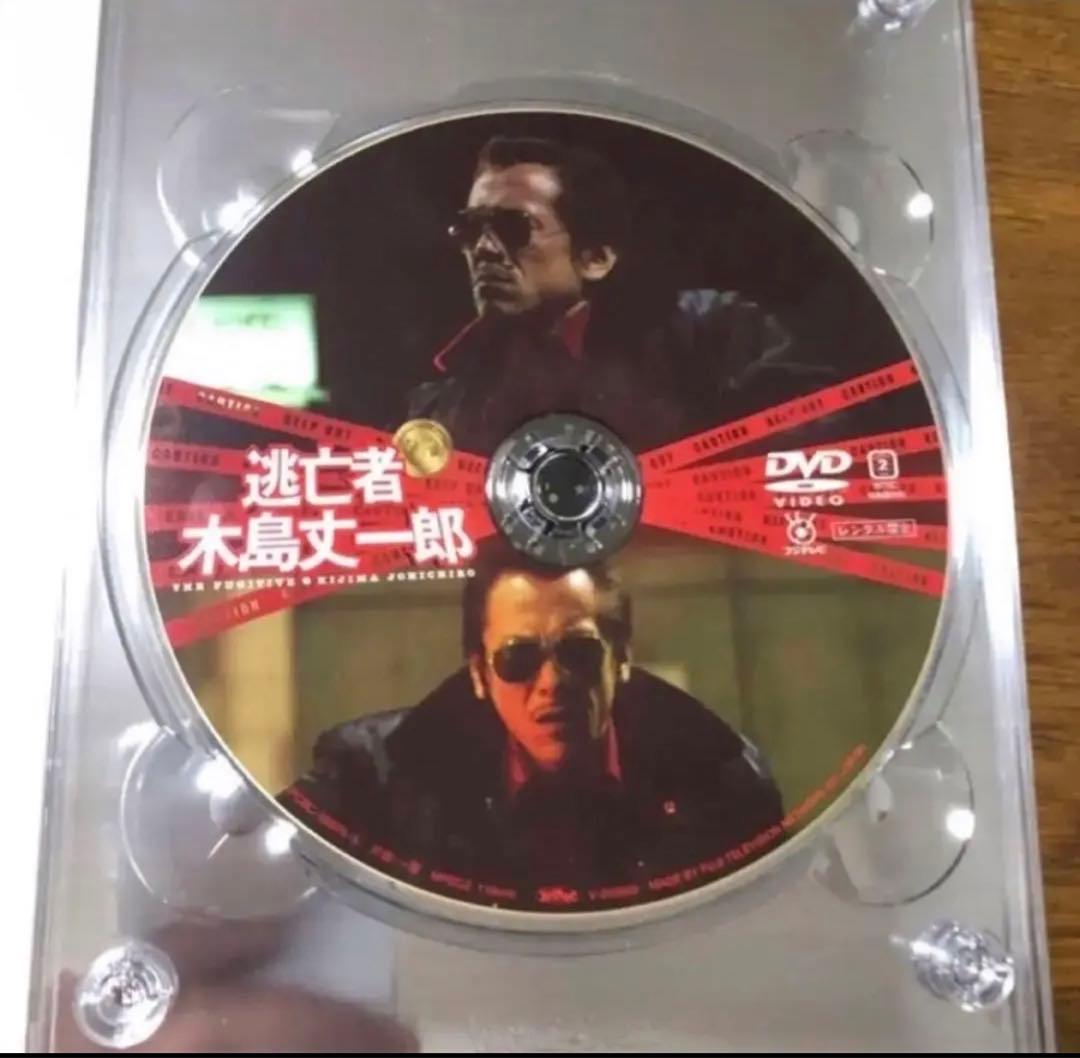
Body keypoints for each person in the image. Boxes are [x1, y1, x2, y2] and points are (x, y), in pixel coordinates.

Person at [283, 542, 785, 904]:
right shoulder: (371, 779)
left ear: (621, 659)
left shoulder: (724, 784)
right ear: (479, 673)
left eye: (579, 653)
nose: (552, 683)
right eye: (518, 658)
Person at [407, 135, 830, 454]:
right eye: (469, 229)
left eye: (514, 227)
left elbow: (822, 421)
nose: (483, 249)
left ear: (596, 258)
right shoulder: (442, 401)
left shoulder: (711, 331)